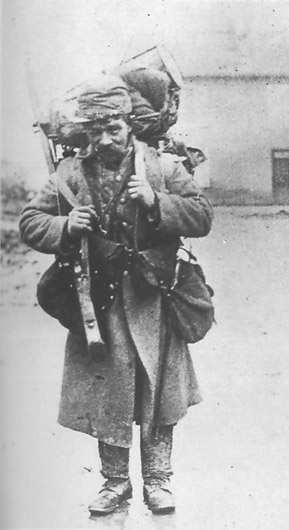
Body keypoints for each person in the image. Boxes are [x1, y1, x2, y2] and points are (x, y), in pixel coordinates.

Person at [20, 75, 213, 514]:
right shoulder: (69, 174)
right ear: (84, 133)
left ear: (130, 125)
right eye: (95, 131)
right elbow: (31, 221)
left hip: (155, 296)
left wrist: (156, 202)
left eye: (114, 128)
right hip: (98, 304)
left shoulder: (163, 168)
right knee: (108, 391)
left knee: (158, 391)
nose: (105, 139)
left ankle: (159, 481)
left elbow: (202, 216)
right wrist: (65, 226)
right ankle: (114, 483)